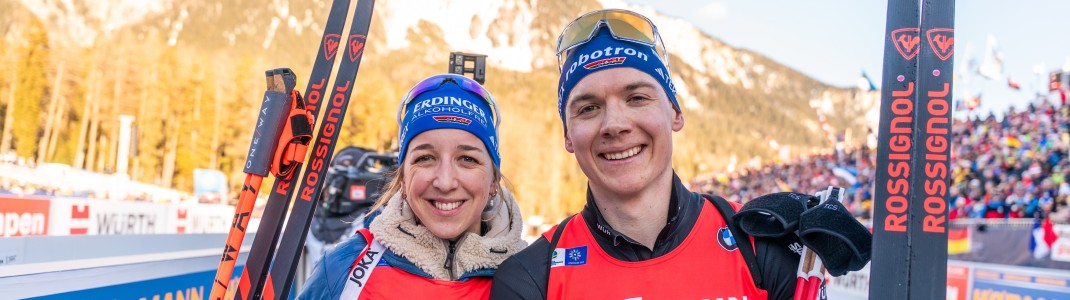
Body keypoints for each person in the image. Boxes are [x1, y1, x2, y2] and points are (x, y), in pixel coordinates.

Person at [491, 9, 806, 299]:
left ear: (675, 112)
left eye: (637, 98)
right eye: (588, 108)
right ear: (568, 135)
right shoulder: (530, 278)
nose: (614, 125)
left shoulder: (758, 245)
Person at [299, 73, 526, 299]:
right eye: (425, 158)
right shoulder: (342, 270)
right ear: (404, 179)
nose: (445, 182)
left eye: (467, 159)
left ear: (493, 182)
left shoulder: (532, 277)